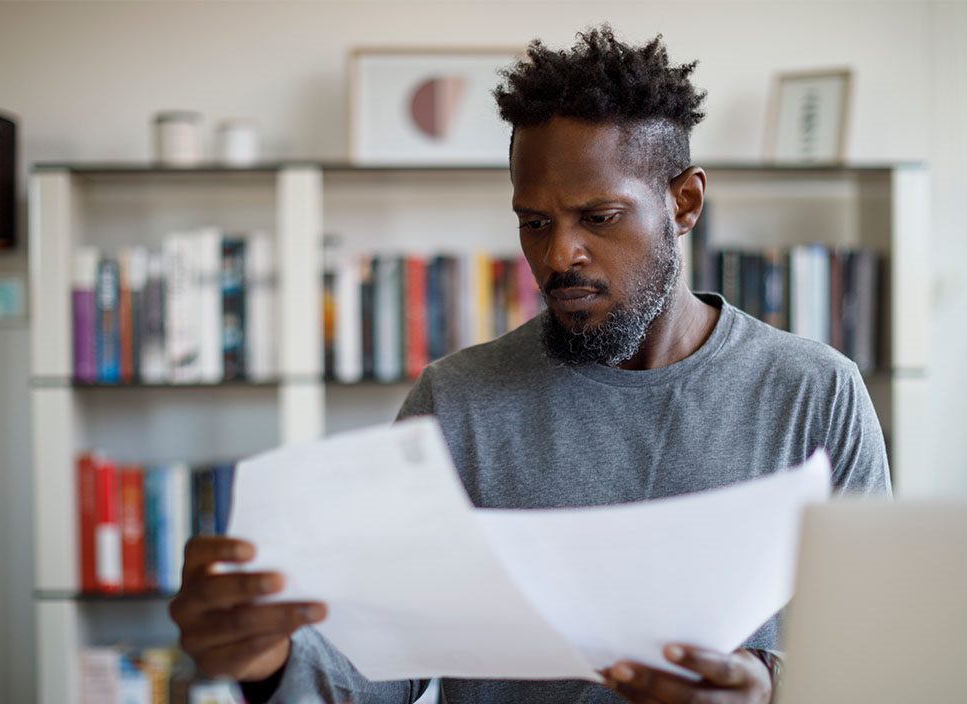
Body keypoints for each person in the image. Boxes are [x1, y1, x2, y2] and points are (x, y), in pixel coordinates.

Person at [169, 26, 890, 704]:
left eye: (598, 217)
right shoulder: (457, 402)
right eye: (534, 222)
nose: (557, 254)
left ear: (684, 202)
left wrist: (768, 685)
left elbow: (877, 652)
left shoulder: (814, 393)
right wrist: (269, 659)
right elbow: (371, 668)